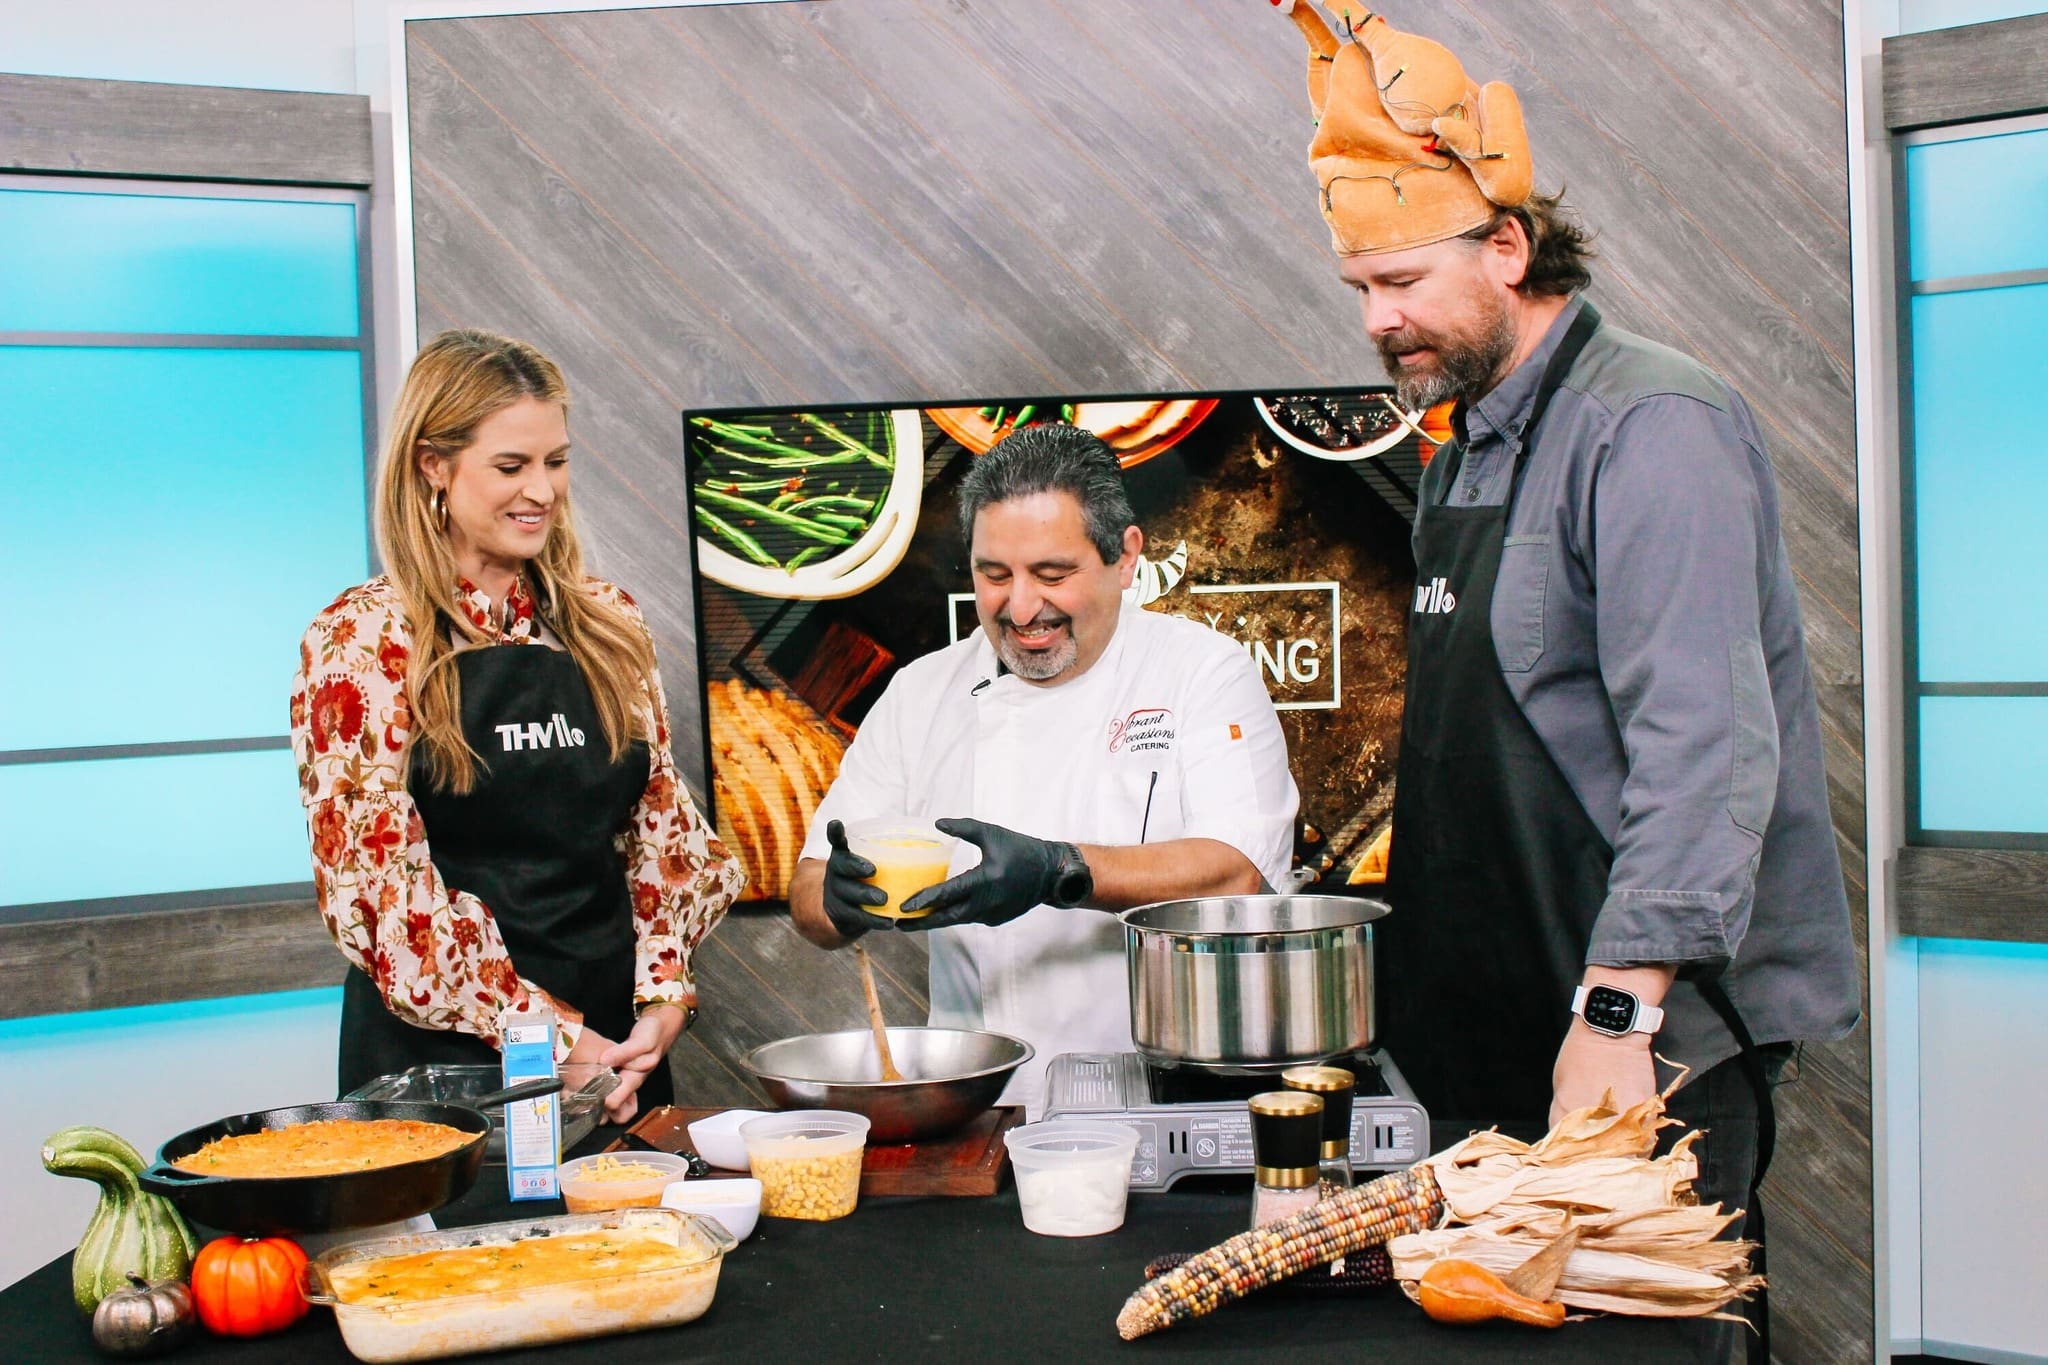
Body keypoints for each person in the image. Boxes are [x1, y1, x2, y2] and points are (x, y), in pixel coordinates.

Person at [1265, 3, 1859, 1353]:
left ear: (1511, 245)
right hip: (1498, 1017)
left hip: (1638, 1031)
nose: (1382, 319)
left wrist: (1613, 1010)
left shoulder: (1653, 425)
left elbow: (1707, 750)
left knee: (1654, 1341)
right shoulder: (1467, 445)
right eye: (1362, 290)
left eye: (1406, 281)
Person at [292, 330, 744, 1123]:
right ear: (433, 463)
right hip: (447, 1071)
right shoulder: (363, 640)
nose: (542, 489)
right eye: (511, 466)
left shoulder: (610, 624)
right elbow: (374, 889)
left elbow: (661, 837)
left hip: (616, 1058)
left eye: (556, 461)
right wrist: (545, 1032)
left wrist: (663, 997)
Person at [788, 423, 1300, 1113]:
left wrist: (1056, 869)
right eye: (993, 575)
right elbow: (811, 891)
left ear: (1125, 558)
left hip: (1162, 1099)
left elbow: (1243, 870)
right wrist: (839, 900)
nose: (1021, 607)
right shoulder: (921, 693)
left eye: (1052, 574)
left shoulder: (1202, 673)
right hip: (980, 1111)